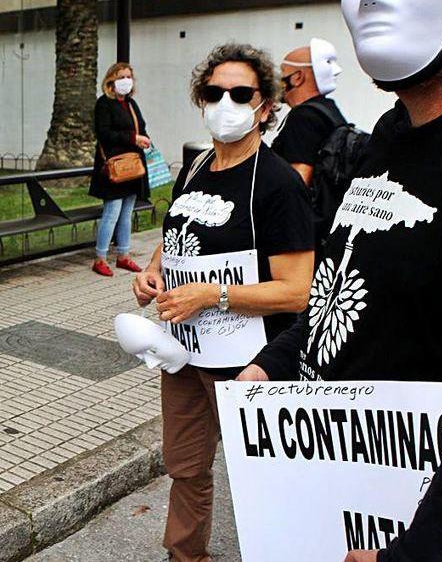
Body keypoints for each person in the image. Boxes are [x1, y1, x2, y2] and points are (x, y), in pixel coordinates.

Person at [241, 0, 442, 561]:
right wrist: (273, 366)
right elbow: (347, 284)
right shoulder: (391, 135)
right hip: (338, 493)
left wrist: (429, 550)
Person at [132, 43, 315, 562]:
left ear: (265, 105)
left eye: (241, 92)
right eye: (215, 92)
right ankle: (185, 555)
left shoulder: (278, 183)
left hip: (247, 361)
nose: (226, 102)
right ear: (201, 100)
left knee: (267, 472)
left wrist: (214, 295)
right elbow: (175, 237)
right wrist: (152, 272)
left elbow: (298, 290)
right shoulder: (195, 168)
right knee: (185, 465)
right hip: (184, 352)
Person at [89, 62, 150, 276]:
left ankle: (123, 255)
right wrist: (133, 138)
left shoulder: (131, 104)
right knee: (112, 213)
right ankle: (100, 258)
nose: (126, 80)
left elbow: (141, 127)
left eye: (129, 76)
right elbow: (104, 133)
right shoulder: (104, 104)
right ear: (111, 80)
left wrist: (144, 139)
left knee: (126, 214)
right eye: (121, 76)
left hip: (132, 167)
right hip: (114, 168)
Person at [273, 37, 346, 187]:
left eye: (282, 71)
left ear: (297, 78)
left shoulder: (303, 117)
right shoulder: (328, 111)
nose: (278, 79)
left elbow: (298, 180)